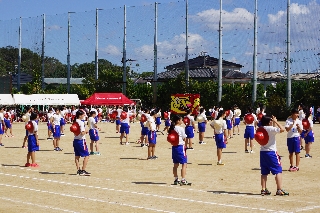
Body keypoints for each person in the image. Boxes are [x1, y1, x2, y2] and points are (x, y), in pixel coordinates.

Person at [259, 115, 289, 196]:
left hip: (263, 152)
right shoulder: (270, 129)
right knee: (278, 170)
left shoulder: (260, 128)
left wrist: (273, 124)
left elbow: (273, 131)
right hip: (271, 152)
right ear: (269, 122)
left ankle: (263, 189)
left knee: (264, 172)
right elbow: (282, 129)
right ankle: (279, 189)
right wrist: (276, 121)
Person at [169, 115, 188, 185]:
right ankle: (183, 179)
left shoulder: (172, 128)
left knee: (175, 164)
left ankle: (176, 178)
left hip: (174, 147)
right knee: (184, 163)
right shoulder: (180, 128)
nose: (182, 121)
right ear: (178, 121)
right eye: (181, 120)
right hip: (180, 146)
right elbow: (184, 137)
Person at [73, 110, 90, 176]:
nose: (84, 116)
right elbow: (82, 132)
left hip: (75, 140)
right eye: (83, 115)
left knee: (77, 156)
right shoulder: (81, 122)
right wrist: (86, 131)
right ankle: (83, 170)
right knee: (86, 155)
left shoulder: (75, 121)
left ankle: (78, 170)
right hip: (81, 140)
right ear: (80, 115)